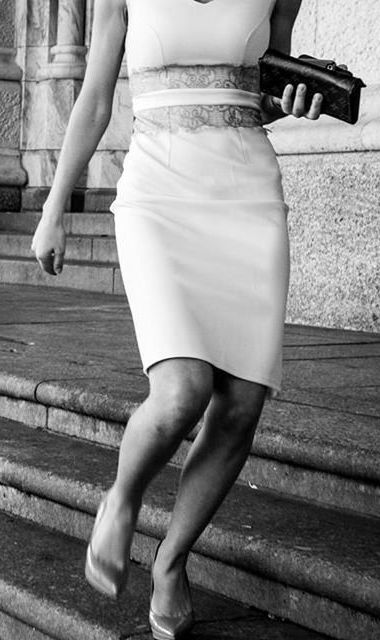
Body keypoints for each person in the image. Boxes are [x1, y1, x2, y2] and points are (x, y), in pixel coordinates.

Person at [30, 1, 323, 638]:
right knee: (182, 389)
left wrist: (294, 99)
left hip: (247, 192)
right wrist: (55, 205)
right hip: (157, 190)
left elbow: (263, 88)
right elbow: (97, 98)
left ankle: (171, 561)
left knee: (243, 399)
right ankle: (123, 497)